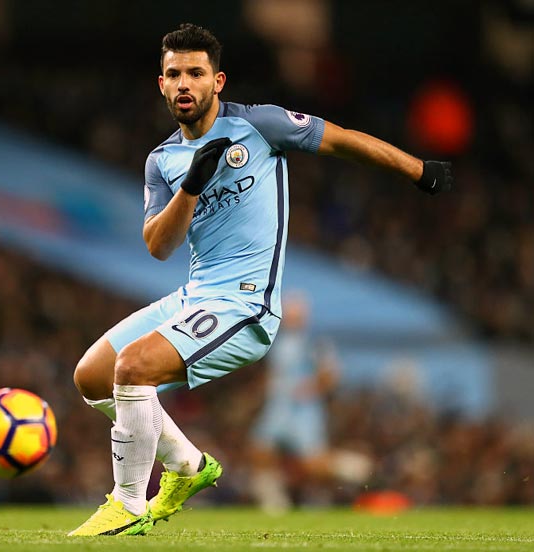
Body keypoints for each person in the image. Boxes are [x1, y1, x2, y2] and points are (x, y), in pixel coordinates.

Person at [69, 23, 453, 537]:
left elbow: (341, 141)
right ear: (160, 84)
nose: (185, 83)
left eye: (196, 73)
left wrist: (417, 169)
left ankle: (128, 503)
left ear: (218, 81)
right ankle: (186, 466)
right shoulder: (161, 161)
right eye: (174, 74)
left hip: (247, 305)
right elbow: (158, 246)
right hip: (194, 295)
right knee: (92, 375)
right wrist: (191, 188)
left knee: (134, 366)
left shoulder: (261, 126)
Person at [249, 293, 371, 512]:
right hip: (278, 406)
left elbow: (331, 373)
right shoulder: (275, 338)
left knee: (312, 464)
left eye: (296, 314)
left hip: (303, 410)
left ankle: (351, 466)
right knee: (259, 449)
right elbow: (273, 372)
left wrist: (311, 388)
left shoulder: (314, 341)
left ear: (304, 316)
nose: (291, 318)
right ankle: (274, 502)